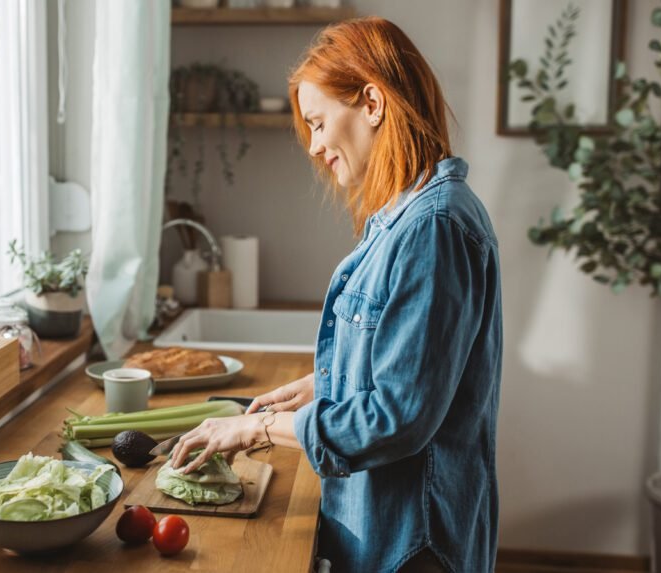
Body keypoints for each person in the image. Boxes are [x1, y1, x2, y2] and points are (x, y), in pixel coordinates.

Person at [169, 16, 503, 573]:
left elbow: (397, 417)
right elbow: (401, 369)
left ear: (372, 103)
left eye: (319, 123)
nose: (316, 145)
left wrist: (258, 427)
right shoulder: (405, 217)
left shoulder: (434, 227)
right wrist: (318, 386)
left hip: (412, 541)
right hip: (389, 527)